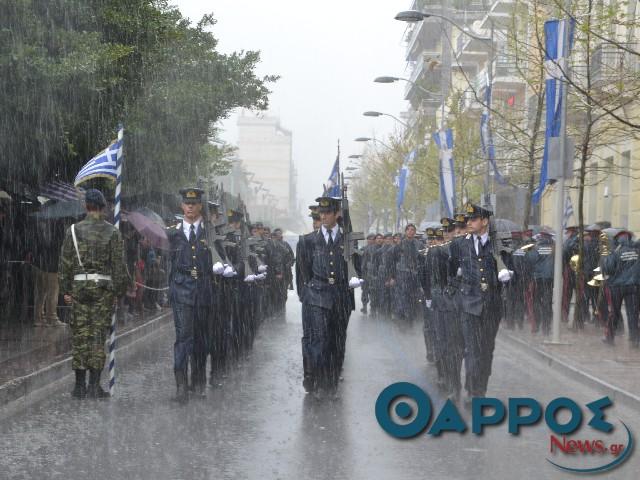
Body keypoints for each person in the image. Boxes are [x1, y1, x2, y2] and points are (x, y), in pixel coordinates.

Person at [58, 189, 127, 399]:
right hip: (103, 292)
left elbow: (65, 263)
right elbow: (118, 266)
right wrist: (118, 291)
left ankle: (79, 386)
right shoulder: (112, 233)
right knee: (97, 338)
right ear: (103, 206)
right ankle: (94, 386)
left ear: (85, 205)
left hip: (78, 291)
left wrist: (65, 290)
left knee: (79, 337)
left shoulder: (73, 231)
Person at [296, 196, 361, 399]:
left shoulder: (348, 240)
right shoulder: (308, 241)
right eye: (321, 213)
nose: (323, 216)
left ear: (337, 214)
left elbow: (358, 267)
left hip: (341, 296)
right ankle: (318, 382)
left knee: (337, 343)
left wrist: (356, 276)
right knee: (319, 342)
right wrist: (306, 295)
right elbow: (302, 273)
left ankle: (331, 384)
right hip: (317, 296)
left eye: (327, 213)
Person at [448, 203, 511, 404]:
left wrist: (508, 274)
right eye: (468, 219)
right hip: (469, 304)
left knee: (486, 350)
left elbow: (512, 272)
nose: (469, 223)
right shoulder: (459, 245)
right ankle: (474, 391)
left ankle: (480, 387)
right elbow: (450, 271)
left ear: (485, 221)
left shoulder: (498, 244)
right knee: (472, 350)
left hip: (492, 305)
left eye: (474, 219)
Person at [166, 187, 214, 403]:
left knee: (201, 339)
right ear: (182, 206)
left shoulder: (209, 234)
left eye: (194, 204)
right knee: (183, 338)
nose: (190, 207)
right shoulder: (172, 233)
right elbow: (167, 263)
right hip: (181, 289)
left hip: (203, 289)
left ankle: (199, 383)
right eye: (187, 203)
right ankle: (180, 386)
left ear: (200, 206)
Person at [602, 229, 640, 346]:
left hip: (616, 286)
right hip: (633, 286)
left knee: (614, 312)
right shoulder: (637, 250)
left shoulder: (615, 251)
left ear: (617, 239)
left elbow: (608, 269)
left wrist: (606, 258)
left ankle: (610, 338)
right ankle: (635, 339)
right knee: (633, 313)